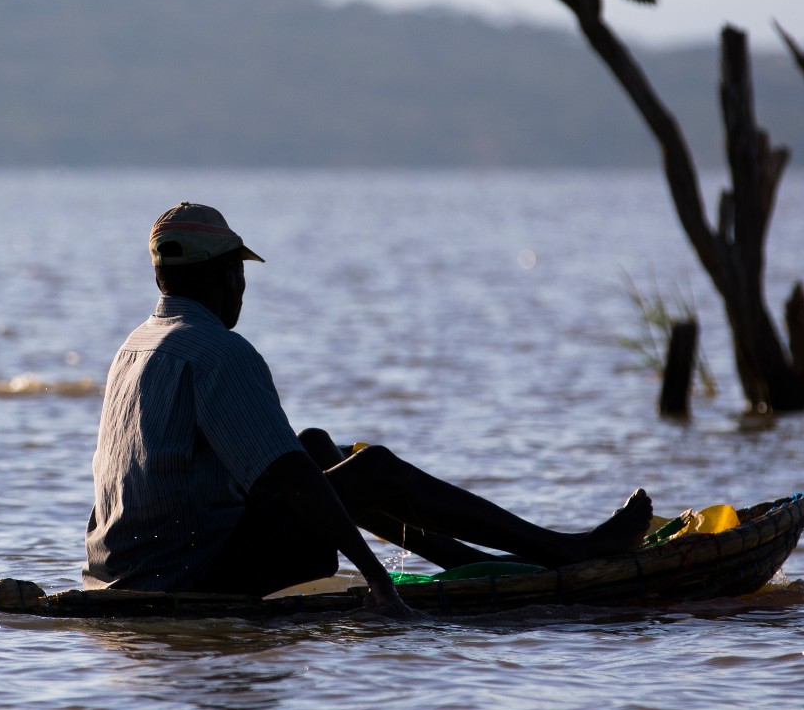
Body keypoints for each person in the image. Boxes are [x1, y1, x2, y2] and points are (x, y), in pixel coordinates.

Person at [82, 202, 654, 614]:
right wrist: (378, 579)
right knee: (370, 468)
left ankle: (459, 561)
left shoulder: (134, 347)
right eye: (236, 273)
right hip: (189, 576)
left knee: (313, 445)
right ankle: (563, 550)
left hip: (122, 571)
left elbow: (285, 465)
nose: (241, 288)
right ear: (216, 274)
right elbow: (291, 480)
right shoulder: (219, 352)